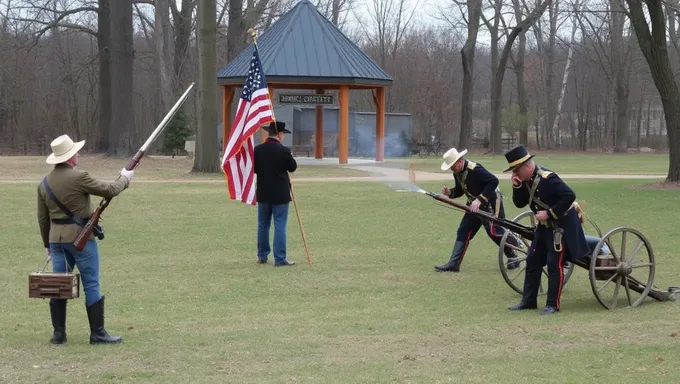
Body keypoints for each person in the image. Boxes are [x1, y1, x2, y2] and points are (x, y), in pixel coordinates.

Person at [37, 134, 134, 344]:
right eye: (75, 152)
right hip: (80, 239)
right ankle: (97, 333)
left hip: (56, 241)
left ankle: (59, 334)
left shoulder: (43, 183)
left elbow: (43, 219)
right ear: (70, 158)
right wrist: (125, 177)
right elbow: (110, 190)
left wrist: (47, 244)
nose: (78, 154)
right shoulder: (79, 177)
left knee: (59, 284)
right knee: (91, 282)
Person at [503, 145, 589, 315]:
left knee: (553, 265)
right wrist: (517, 187)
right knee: (533, 260)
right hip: (544, 229)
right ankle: (528, 301)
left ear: (527, 166)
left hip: (561, 228)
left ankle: (552, 305)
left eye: (516, 170)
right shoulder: (525, 180)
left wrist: (549, 213)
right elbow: (520, 203)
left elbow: (569, 196)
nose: (515, 174)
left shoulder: (548, 178)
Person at [435, 148, 521, 272]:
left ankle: (514, 253)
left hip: (490, 202)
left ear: (460, 161)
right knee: (463, 231)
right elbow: (460, 190)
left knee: (495, 232)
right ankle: (453, 264)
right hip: (473, 204)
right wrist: (450, 192)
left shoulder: (475, 169)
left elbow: (493, 181)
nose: (451, 169)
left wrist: (479, 199)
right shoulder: (457, 173)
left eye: (452, 165)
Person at [254, 121, 298, 266]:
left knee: (263, 225)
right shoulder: (284, 150)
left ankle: (262, 255)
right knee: (280, 225)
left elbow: (254, 169)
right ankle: (279, 258)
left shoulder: (258, 150)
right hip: (280, 193)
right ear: (279, 134)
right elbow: (292, 168)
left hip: (263, 191)